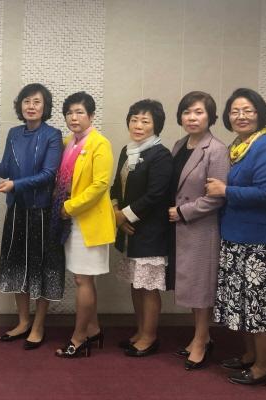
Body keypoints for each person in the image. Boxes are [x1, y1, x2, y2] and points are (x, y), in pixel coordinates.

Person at [206, 88, 266, 386]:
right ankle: (250, 356)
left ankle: (264, 367)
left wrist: (225, 190)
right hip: (238, 238)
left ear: (260, 113)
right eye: (235, 111)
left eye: (248, 110)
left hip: (263, 242)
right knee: (245, 304)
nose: (241, 116)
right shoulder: (239, 146)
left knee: (262, 306)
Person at [0, 83, 63, 349]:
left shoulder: (52, 135)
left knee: (42, 267)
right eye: (26, 101)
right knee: (17, 265)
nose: (31, 106)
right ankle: (23, 322)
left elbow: (48, 174)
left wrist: (15, 184)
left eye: (36, 102)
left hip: (42, 212)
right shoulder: (13, 133)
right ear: (20, 105)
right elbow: (7, 168)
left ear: (45, 107)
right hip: (17, 210)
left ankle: (39, 325)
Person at [167, 91, 229, 370]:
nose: (192, 117)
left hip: (202, 228)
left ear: (210, 117)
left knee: (201, 287)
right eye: (187, 112)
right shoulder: (180, 144)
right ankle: (199, 335)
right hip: (180, 228)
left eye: (199, 112)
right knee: (192, 286)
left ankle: (202, 340)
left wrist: (184, 211)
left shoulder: (216, 149)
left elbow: (217, 197)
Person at [53, 92, 115, 358]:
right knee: (82, 278)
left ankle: (79, 339)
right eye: (69, 113)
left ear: (91, 115)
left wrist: (69, 207)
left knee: (83, 279)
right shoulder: (69, 142)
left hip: (88, 220)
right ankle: (93, 329)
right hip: (71, 220)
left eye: (79, 112)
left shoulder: (100, 143)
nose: (73, 117)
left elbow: (100, 185)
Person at [111, 99, 172, 357]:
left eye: (145, 121)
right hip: (129, 230)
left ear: (156, 125)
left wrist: (123, 216)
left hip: (150, 231)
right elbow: (116, 186)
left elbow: (156, 195)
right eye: (134, 120)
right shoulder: (127, 151)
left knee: (148, 287)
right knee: (136, 284)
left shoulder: (161, 155)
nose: (138, 125)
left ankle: (150, 336)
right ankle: (139, 331)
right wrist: (116, 212)